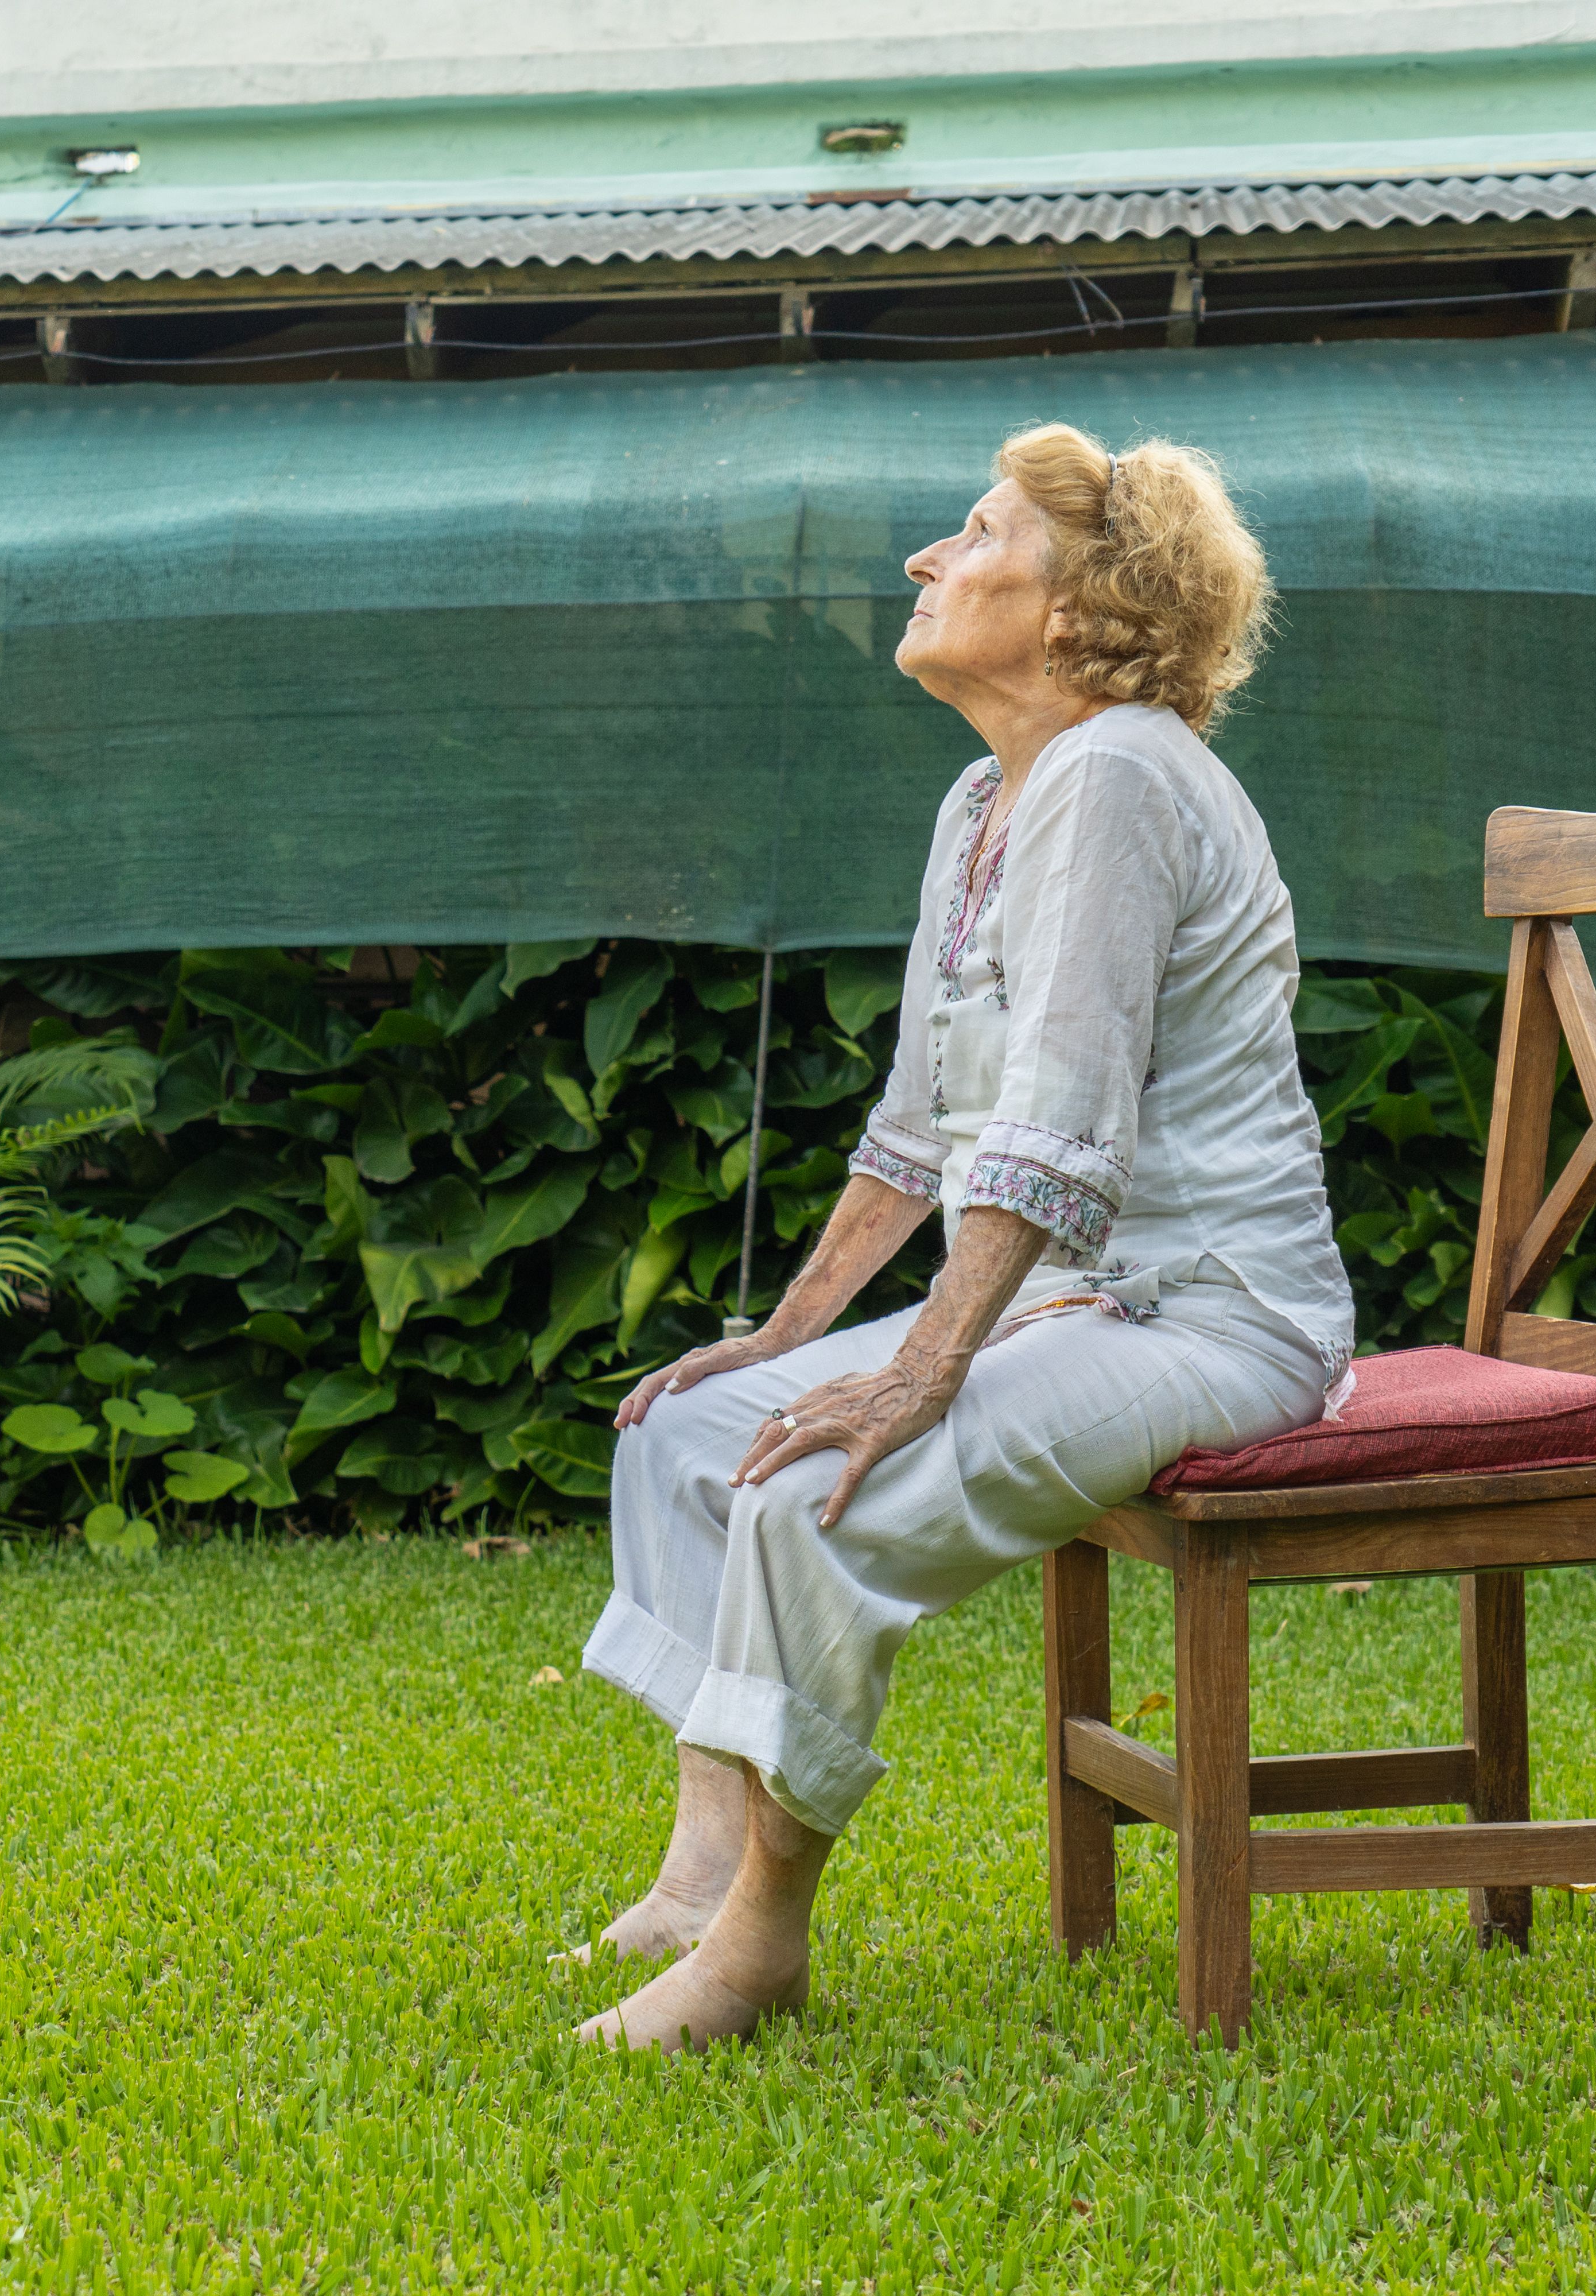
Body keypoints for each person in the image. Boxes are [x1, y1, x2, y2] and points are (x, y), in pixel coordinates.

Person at [570, 422, 1355, 2054]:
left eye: (978, 530)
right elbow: (931, 1124)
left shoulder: (1122, 774)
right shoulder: (984, 801)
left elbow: (1065, 1120)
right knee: (695, 1429)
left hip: (1213, 1319)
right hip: (1076, 1307)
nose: (928, 559)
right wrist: (793, 1336)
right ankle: (701, 1874)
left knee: (810, 1487)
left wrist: (919, 1375)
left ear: (1082, 604)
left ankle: (762, 1949)